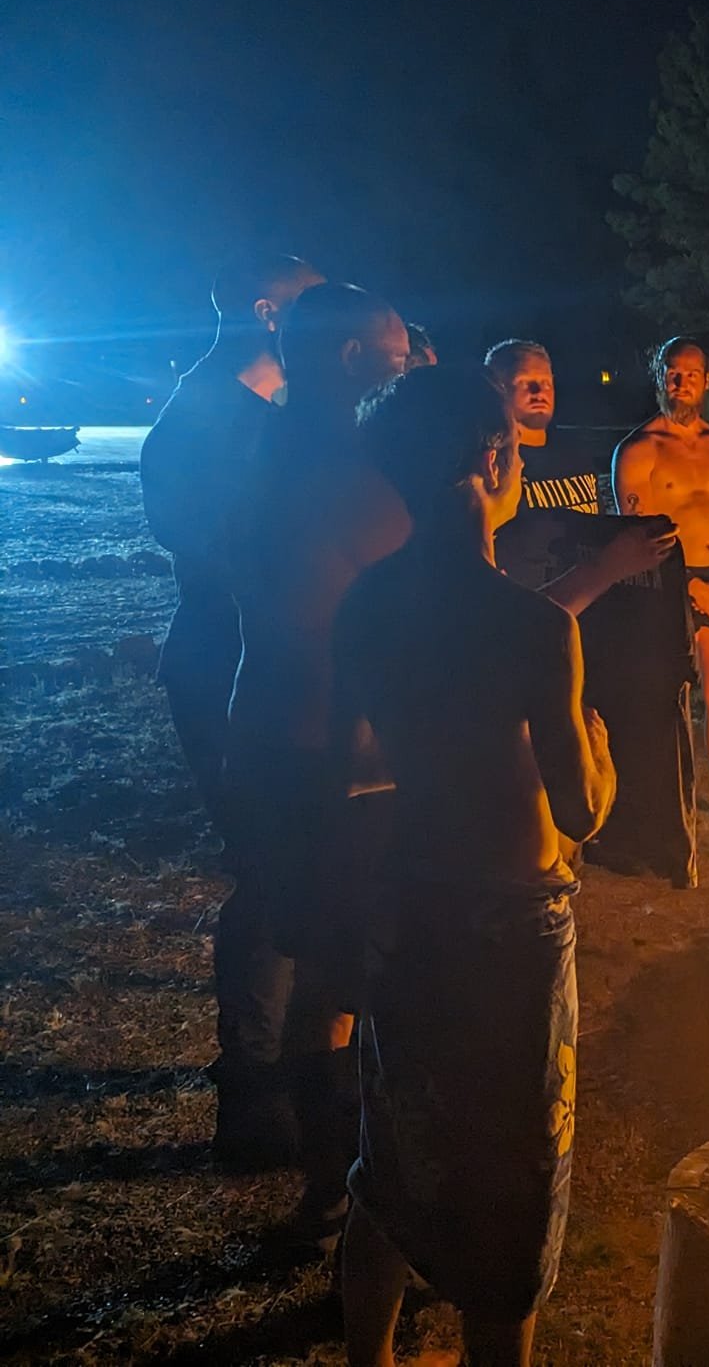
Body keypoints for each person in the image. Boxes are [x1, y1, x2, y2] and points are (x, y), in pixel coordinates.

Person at [334, 364, 615, 1367]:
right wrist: (594, 740)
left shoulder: (366, 604)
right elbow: (582, 808)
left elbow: (350, 762)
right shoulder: (535, 627)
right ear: (488, 464)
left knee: (394, 1155)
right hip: (510, 925)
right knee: (508, 1181)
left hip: (409, 903)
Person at [225, 281, 413, 1252]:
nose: (413, 363)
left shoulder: (273, 447)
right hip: (334, 760)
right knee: (351, 979)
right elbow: (440, 600)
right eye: (397, 353)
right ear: (352, 363)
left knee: (323, 971)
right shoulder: (347, 479)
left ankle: (324, 1179)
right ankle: (346, 1188)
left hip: (270, 733)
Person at [141, 251, 324, 1167]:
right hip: (226, 667)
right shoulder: (204, 421)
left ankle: (290, 1069)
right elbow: (214, 549)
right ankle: (252, 1095)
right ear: (265, 313)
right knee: (269, 866)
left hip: (273, 660)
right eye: (309, 305)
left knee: (295, 863)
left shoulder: (269, 414)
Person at [613, 338, 709, 835]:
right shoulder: (639, 450)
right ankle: (662, 804)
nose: (682, 383)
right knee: (662, 700)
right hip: (665, 585)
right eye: (673, 373)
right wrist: (685, 588)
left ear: (708, 380)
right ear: (659, 376)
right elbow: (634, 534)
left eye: (692, 374)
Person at [484, 339, 670, 613]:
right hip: (529, 614)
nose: (538, 391)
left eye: (545, 382)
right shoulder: (491, 464)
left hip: (591, 604)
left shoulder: (575, 453)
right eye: (523, 382)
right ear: (496, 388)